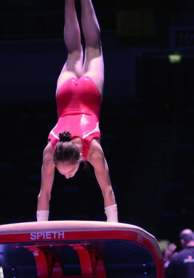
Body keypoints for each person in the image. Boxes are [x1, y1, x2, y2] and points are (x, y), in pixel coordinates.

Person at [37, 0, 117, 223]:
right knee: (74, 51)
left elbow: (108, 191)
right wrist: (39, 228)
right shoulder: (50, 150)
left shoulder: (93, 151)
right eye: (67, 172)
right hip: (65, 94)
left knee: (92, 46)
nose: (66, 175)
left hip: (89, 94)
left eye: (66, 172)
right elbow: (44, 195)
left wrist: (114, 225)